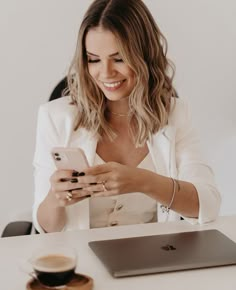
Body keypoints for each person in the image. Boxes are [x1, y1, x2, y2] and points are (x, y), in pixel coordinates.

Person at [33, 0, 221, 233]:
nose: (106, 72)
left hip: (154, 256)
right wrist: (56, 199)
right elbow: (44, 229)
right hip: (81, 257)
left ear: (144, 55)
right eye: (93, 59)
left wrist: (141, 181)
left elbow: (208, 205)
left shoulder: (176, 115)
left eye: (119, 58)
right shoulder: (55, 117)